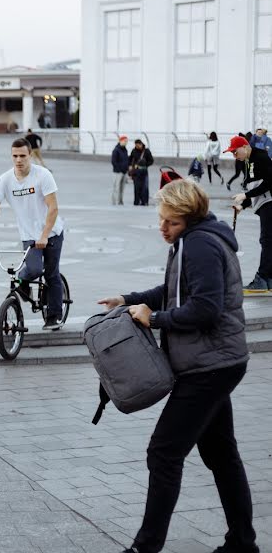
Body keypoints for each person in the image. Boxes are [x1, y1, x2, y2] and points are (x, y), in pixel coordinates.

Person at [97, 179, 258, 553]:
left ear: (189, 218)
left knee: (164, 452)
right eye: (160, 219)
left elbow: (205, 309)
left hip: (209, 366)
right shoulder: (195, 240)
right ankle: (243, 544)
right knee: (222, 454)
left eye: (170, 222)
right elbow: (174, 290)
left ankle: (146, 547)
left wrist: (153, 320)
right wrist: (129, 299)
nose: (162, 228)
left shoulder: (199, 245)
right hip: (218, 361)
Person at [0, 138, 66, 330]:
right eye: (15, 156)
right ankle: (24, 280)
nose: (18, 160)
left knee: (51, 273)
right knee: (33, 269)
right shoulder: (5, 179)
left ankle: (54, 316)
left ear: (30, 155)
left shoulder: (43, 175)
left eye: (22, 156)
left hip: (51, 233)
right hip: (29, 235)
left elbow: (53, 208)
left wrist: (44, 235)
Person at [229, 134, 272, 293]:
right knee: (268, 241)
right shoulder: (248, 161)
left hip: (269, 203)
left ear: (245, 146)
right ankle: (268, 280)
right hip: (264, 203)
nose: (234, 155)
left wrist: (246, 196)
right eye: (232, 153)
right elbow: (256, 187)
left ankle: (262, 279)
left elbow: (269, 182)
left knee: (266, 240)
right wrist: (243, 205)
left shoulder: (260, 157)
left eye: (235, 151)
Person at [129, 139, 154, 206]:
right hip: (136, 171)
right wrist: (131, 166)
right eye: (136, 145)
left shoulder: (146, 151)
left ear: (141, 144)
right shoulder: (133, 151)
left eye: (138, 145)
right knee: (136, 187)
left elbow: (151, 161)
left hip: (144, 171)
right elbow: (130, 159)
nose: (137, 146)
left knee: (145, 187)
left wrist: (145, 164)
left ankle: (145, 202)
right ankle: (136, 201)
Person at [111, 135, 130, 205]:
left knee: (122, 188)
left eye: (127, 141)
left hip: (124, 172)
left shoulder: (125, 150)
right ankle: (115, 201)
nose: (126, 143)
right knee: (116, 187)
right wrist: (119, 169)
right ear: (120, 141)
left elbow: (126, 160)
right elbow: (113, 161)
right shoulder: (116, 150)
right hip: (118, 172)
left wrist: (126, 169)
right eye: (125, 141)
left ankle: (120, 201)